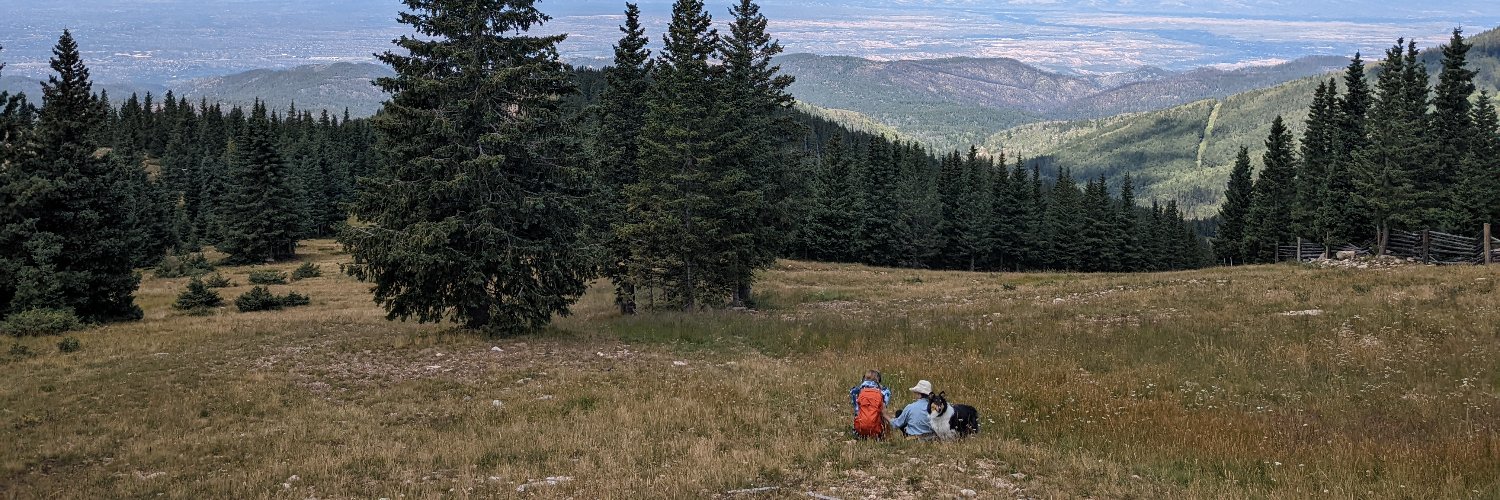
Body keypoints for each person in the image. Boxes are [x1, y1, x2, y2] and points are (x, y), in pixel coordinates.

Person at [849, 369, 891, 438]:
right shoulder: (884, 392)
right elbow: (884, 412)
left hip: (860, 430)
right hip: (877, 431)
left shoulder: (855, 391)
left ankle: (859, 432)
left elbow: (856, 410)